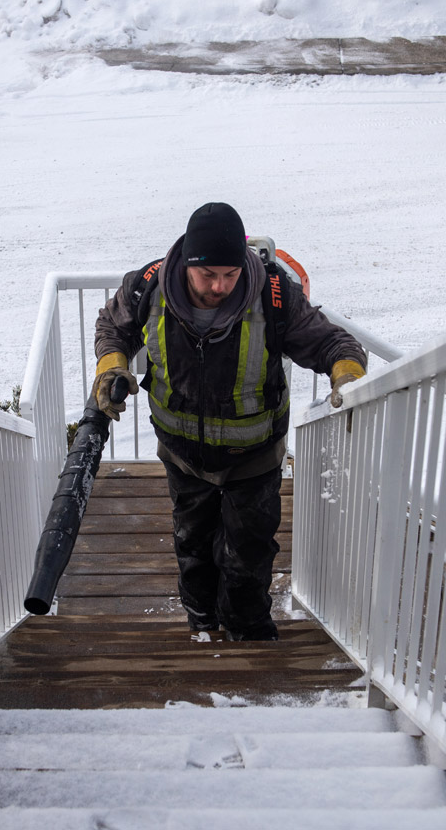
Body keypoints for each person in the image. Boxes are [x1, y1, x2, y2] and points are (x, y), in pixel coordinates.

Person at [92, 202, 366, 639]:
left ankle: (248, 627)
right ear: (186, 265)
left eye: (231, 274)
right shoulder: (148, 286)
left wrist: (348, 376)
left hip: (254, 457)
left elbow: (332, 342)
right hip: (182, 454)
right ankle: (201, 620)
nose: (220, 286)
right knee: (193, 544)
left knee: (250, 552)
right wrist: (111, 363)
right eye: (208, 275)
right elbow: (112, 324)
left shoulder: (275, 294)